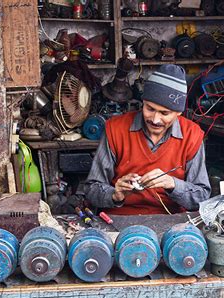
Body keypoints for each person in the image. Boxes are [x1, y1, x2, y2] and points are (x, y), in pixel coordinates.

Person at [85, 64, 211, 214]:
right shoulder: (115, 129)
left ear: (178, 113)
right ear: (142, 103)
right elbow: (92, 189)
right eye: (150, 109)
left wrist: (173, 184)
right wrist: (114, 195)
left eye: (165, 113)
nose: (155, 120)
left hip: (172, 221)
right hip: (120, 219)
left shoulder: (192, 135)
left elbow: (202, 198)